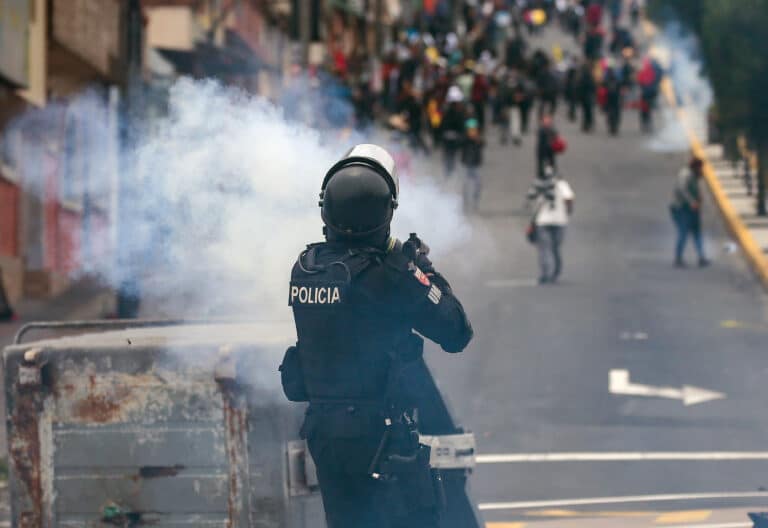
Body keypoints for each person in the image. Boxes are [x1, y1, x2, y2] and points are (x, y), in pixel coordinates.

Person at [285, 144, 472, 528]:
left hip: (325, 435)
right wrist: (419, 267)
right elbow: (456, 331)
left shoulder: (306, 268)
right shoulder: (390, 276)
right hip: (380, 437)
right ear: (386, 211)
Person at [528, 166, 575, 284]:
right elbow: (569, 198)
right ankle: (555, 272)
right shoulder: (562, 184)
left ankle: (545, 274)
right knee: (555, 248)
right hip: (559, 221)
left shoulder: (539, 184)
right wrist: (568, 212)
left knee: (544, 249)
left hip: (543, 221)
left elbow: (532, 199)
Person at [670, 157, 710, 267]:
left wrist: (698, 199)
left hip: (692, 210)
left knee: (697, 233)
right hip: (682, 209)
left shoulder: (693, 175)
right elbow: (682, 189)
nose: (702, 170)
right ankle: (678, 258)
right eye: (700, 168)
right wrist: (692, 202)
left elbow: (694, 189)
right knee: (683, 233)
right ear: (696, 167)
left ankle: (701, 257)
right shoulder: (685, 175)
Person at [440, 86, 467, 178]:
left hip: (454, 141)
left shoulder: (457, 112)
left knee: (453, 160)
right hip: (450, 141)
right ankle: (449, 176)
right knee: (449, 160)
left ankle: (451, 175)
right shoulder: (451, 112)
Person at [461, 118, 486, 212]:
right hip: (466, 165)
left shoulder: (478, 138)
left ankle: (475, 202)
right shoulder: (464, 138)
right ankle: (465, 203)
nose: (472, 131)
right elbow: (460, 143)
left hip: (476, 165)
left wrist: (477, 140)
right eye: (470, 129)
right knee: (466, 185)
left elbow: (483, 144)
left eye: (474, 129)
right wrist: (468, 139)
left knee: (478, 185)